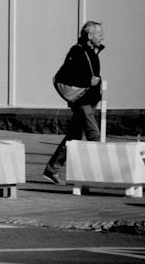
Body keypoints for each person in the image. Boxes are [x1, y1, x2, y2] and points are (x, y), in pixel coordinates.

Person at [43, 21, 105, 185]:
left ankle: (52, 169)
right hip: (82, 101)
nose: (102, 37)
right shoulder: (78, 51)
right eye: (99, 34)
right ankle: (92, 175)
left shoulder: (91, 51)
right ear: (90, 35)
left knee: (74, 136)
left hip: (90, 100)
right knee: (94, 135)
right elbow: (66, 75)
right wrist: (88, 81)